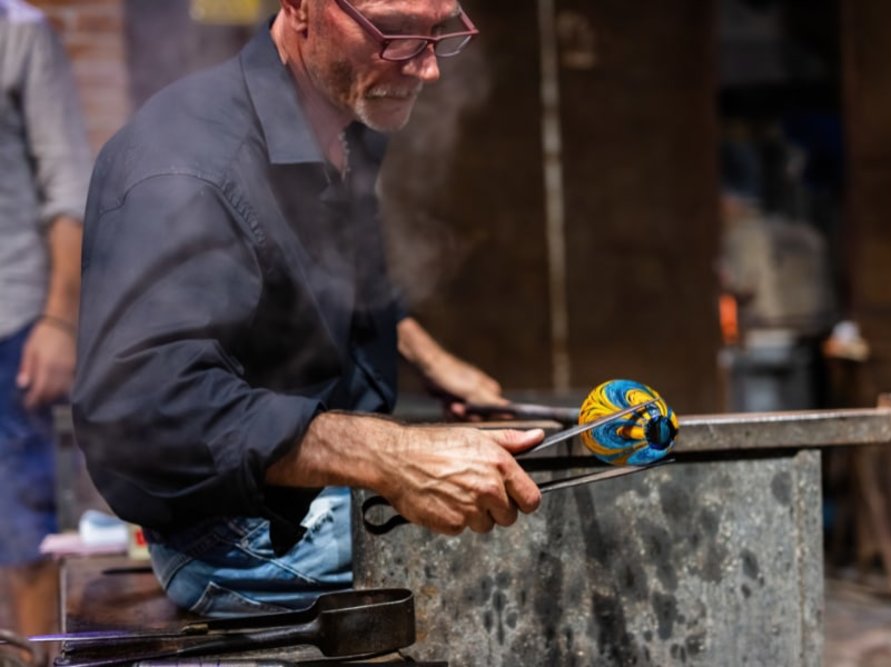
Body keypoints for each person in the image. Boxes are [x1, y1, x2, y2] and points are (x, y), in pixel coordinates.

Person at [72, 0, 543, 617]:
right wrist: (392, 457)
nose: (428, 68)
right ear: (300, 8)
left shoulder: (344, 110)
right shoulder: (185, 168)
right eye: (397, 31)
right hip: (227, 538)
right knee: (542, 543)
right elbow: (145, 410)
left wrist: (429, 358)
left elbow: (323, 275)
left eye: (440, 30)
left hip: (316, 491)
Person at [0, 0, 91, 636]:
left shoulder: (18, 34)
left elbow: (67, 188)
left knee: (22, 533)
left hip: (9, 324)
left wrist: (59, 320)